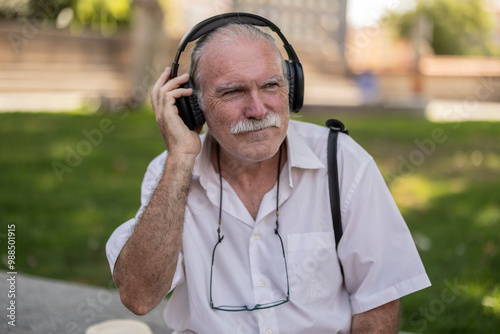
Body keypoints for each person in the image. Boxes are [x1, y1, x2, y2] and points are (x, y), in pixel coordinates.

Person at [106, 13, 431, 333]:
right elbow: (139, 296)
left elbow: (378, 299)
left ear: (292, 88)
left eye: (271, 85)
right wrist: (179, 160)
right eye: (233, 91)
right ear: (193, 106)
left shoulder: (343, 163)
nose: (258, 110)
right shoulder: (170, 174)